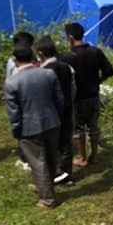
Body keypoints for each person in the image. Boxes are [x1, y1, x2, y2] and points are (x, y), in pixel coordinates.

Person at [4, 45, 65, 208]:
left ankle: (47, 198)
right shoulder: (48, 74)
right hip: (52, 121)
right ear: (33, 57)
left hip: (29, 126)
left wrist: (16, 130)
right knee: (52, 157)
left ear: (15, 60)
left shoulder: (12, 83)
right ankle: (46, 186)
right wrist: (57, 116)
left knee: (38, 162)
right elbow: (59, 99)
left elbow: (14, 112)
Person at [62, 22, 113, 167]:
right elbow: (109, 71)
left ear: (71, 37)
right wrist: (98, 81)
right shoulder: (96, 52)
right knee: (94, 126)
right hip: (93, 95)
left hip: (77, 98)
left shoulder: (67, 57)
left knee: (78, 129)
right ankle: (94, 155)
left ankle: (83, 157)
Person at [34, 36, 76, 185]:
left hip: (49, 113)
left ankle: (53, 173)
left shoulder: (42, 72)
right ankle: (66, 174)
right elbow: (73, 89)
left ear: (40, 53)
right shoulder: (66, 67)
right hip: (67, 110)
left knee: (49, 145)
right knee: (66, 143)